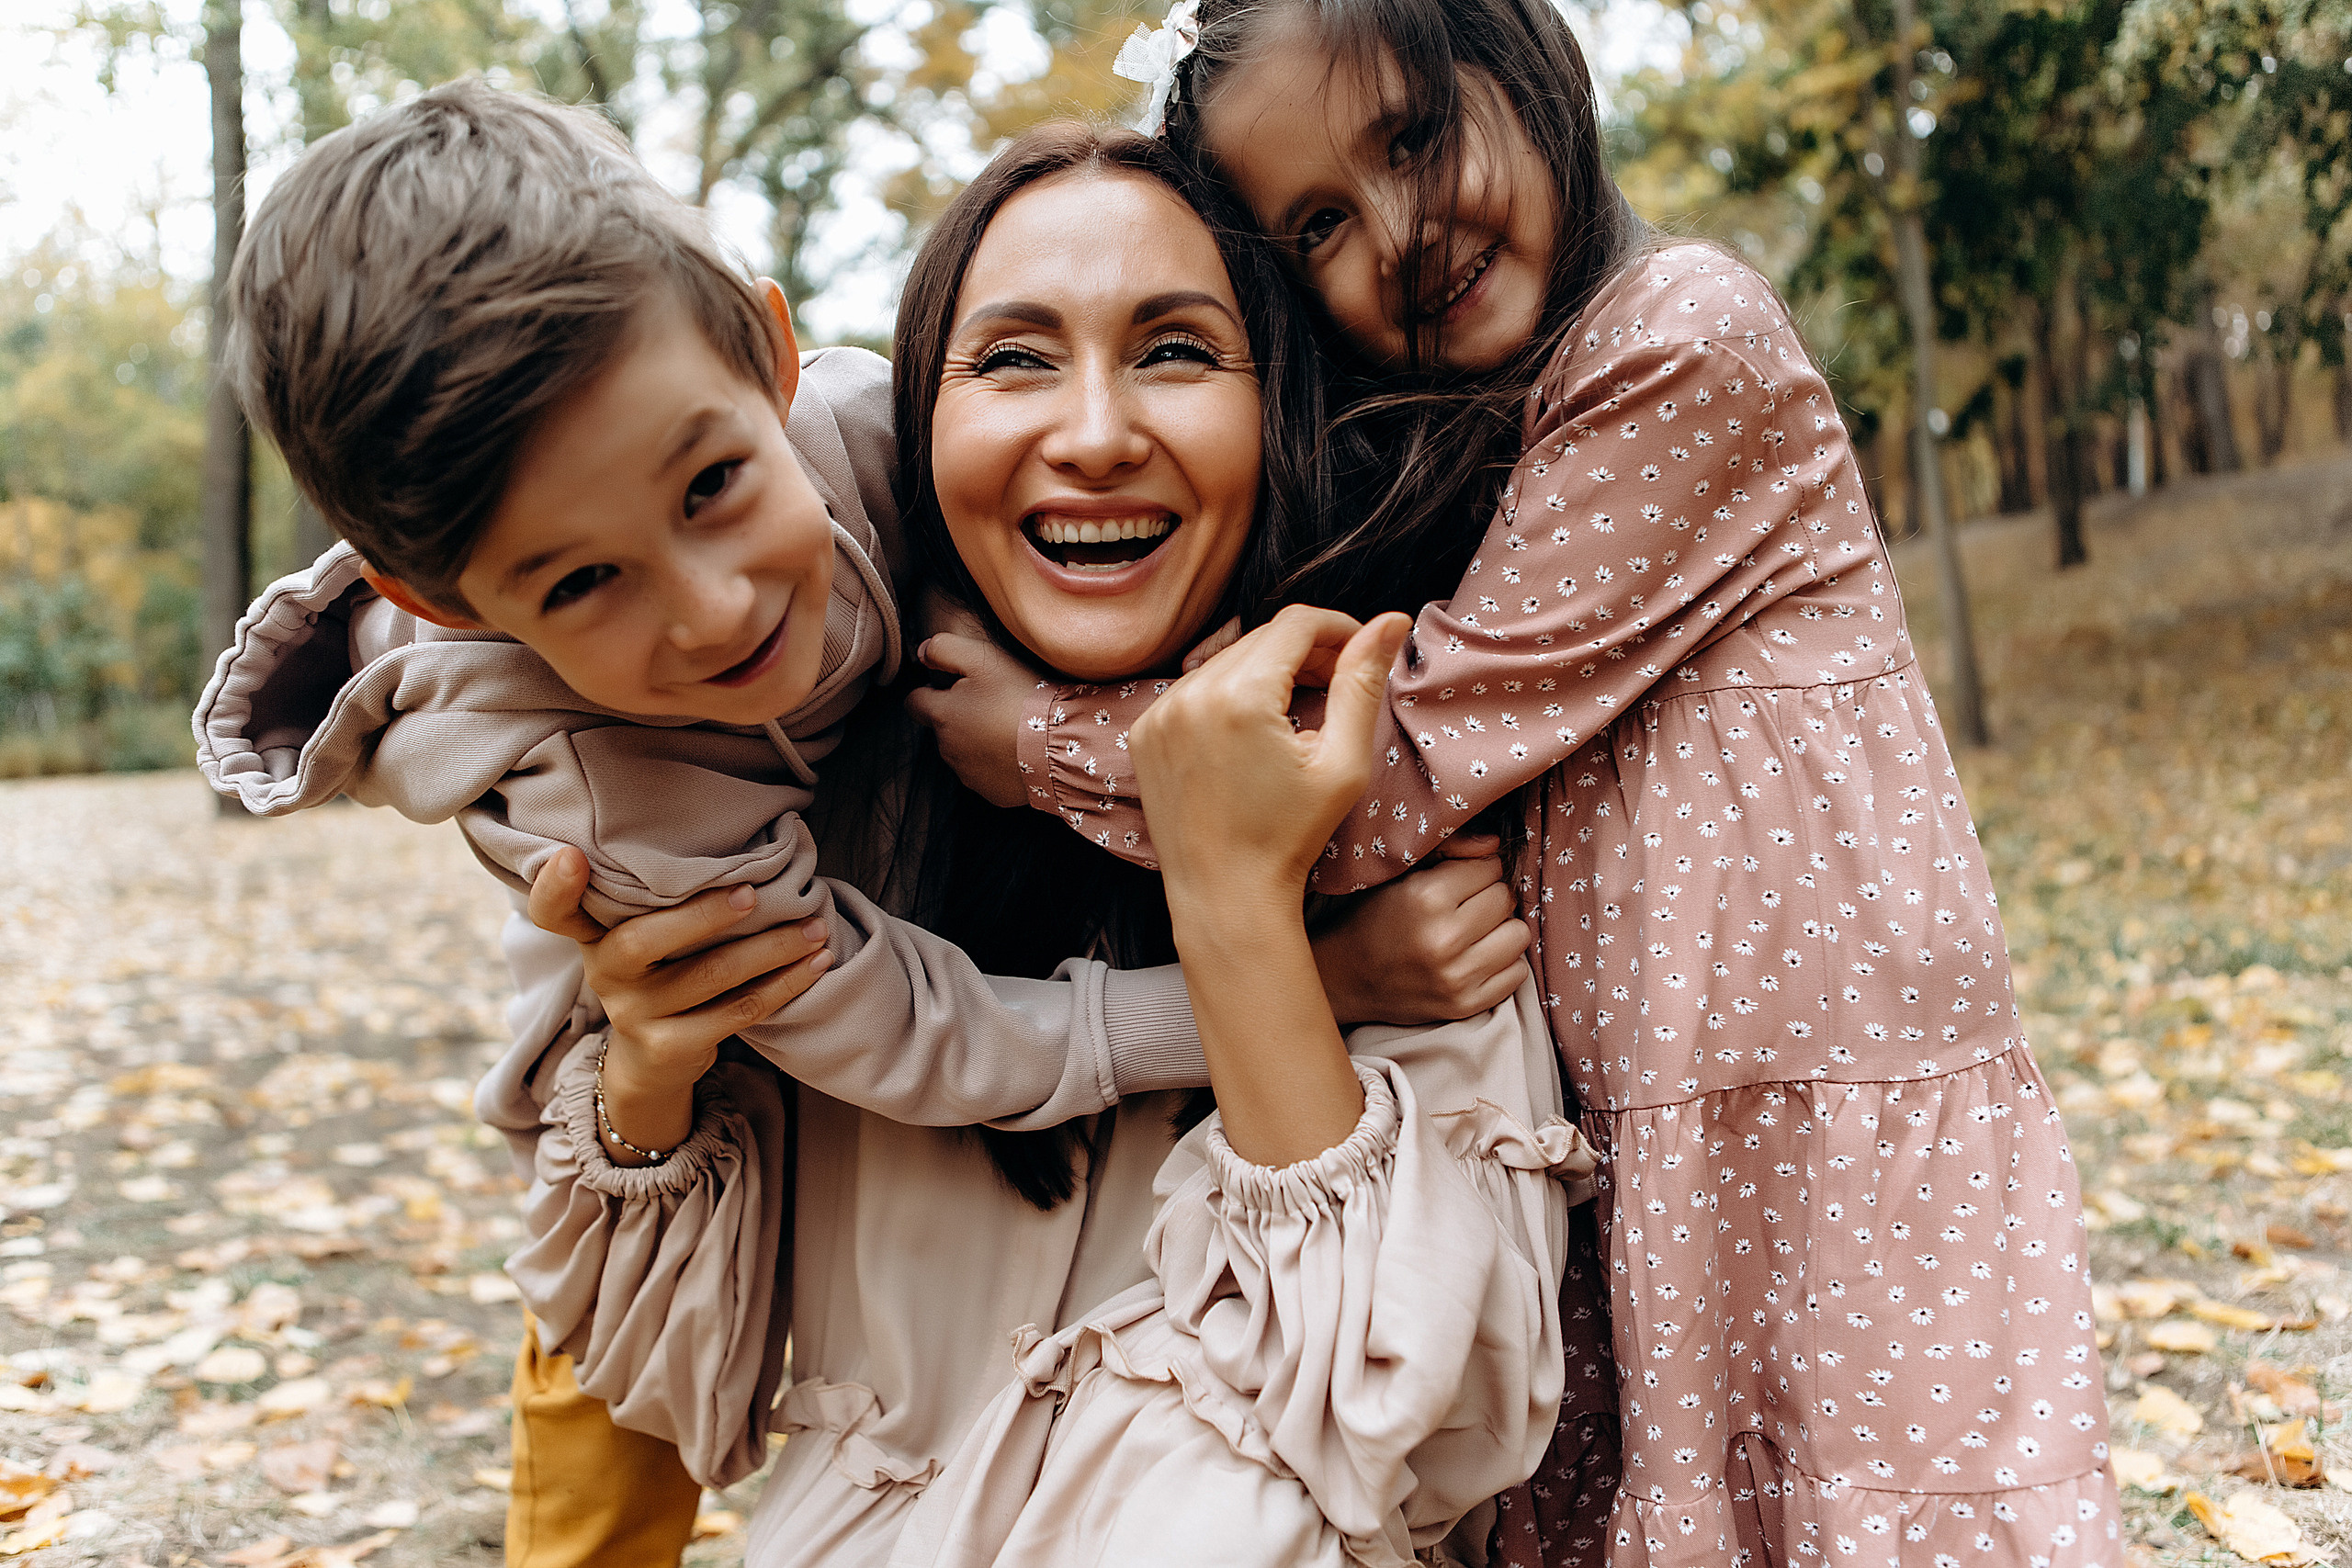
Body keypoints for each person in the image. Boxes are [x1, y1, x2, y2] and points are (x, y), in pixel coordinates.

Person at [187, 83, 1498, 1563]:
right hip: (681, 955)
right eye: (579, 584)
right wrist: (1306, 984)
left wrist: (1040, 735)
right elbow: (923, 1035)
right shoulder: (616, 811)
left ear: (772, 352)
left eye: (715, 487)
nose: (718, 607)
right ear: (443, 600)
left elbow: (968, 538)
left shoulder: (884, 426)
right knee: (600, 1320)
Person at [915, 3, 2123, 1564]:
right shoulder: (1501, 426)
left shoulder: (1685, 341)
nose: (1401, 235)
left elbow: (1386, 768)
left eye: (1413, 138)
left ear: (1526, 64)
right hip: (1657, 1130)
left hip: (1812, 1127)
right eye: (1319, 227)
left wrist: (1039, 742)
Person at [517, 122, 1595, 1567]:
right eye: (1013, 359)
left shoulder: (1386, 801)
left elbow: (1395, 1425)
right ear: (917, 423)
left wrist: (1240, 905)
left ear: (1274, 410)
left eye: (1176, 351)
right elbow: (660, 1381)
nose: (1092, 434)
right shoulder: (797, 800)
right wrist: (653, 1068)